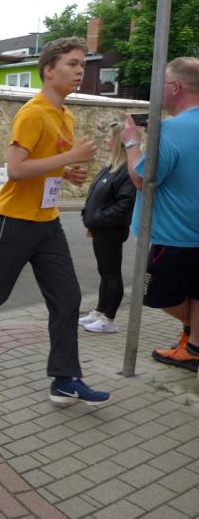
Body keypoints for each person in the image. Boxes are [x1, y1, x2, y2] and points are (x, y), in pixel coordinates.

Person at [0, 37, 111, 406]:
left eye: (82, 64)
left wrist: (66, 173)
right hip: (13, 220)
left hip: (47, 221)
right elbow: (16, 170)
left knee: (67, 298)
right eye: (72, 64)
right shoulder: (33, 113)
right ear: (48, 70)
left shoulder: (65, 115)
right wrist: (71, 157)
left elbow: (43, 165)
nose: (80, 71)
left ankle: (64, 379)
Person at [121, 56, 199, 372]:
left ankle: (193, 339)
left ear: (175, 87)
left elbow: (143, 179)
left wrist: (132, 144)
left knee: (155, 294)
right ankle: (193, 347)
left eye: (161, 84)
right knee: (196, 293)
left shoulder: (171, 130)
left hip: (173, 236)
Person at [79, 121, 136, 333]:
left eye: (109, 137)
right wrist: (90, 219)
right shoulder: (111, 166)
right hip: (101, 229)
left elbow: (124, 205)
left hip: (111, 230)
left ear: (119, 141)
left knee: (111, 273)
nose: (105, 140)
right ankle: (99, 312)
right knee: (104, 271)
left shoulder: (126, 170)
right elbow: (96, 196)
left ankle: (109, 320)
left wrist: (97, 220)